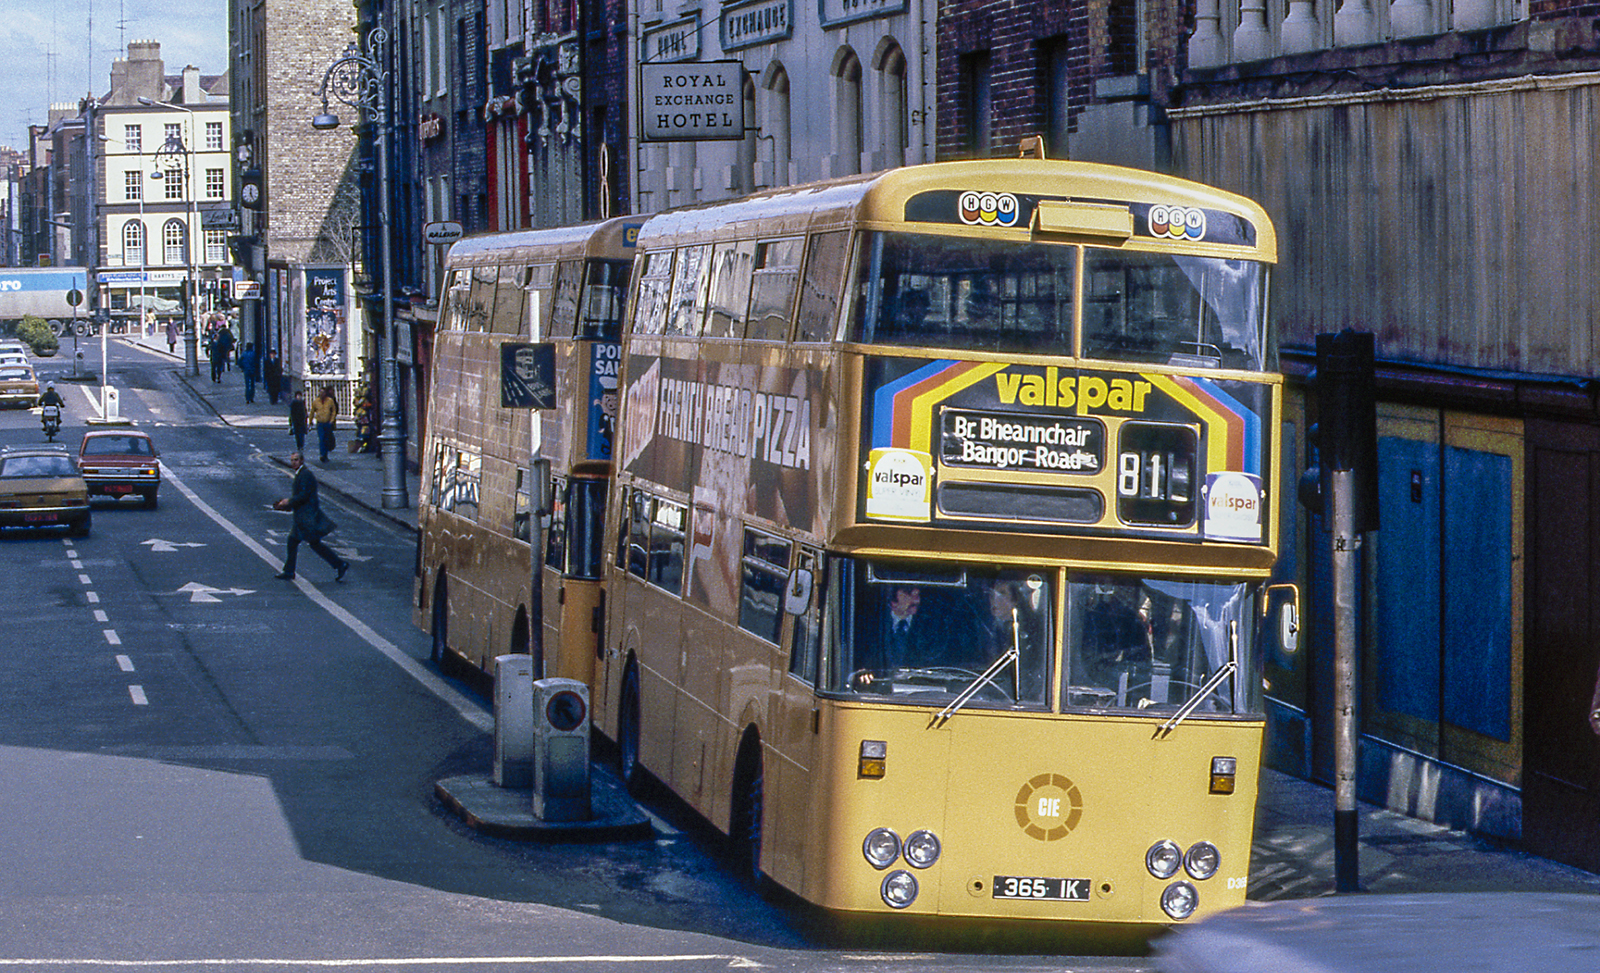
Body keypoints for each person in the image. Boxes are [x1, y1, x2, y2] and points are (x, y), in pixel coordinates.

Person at [273, 451, 349, 582]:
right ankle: (289, 571)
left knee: (310, 543)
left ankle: (339, 564)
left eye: (296, 460)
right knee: (300, 543)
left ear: (302, 461)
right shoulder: (301, 474)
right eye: (292, 460)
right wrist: (290, 504)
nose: (293, 463)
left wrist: (288, 502)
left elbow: (304, 495)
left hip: (306, 517)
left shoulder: (306, 475)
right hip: (302, 517)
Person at [311, 385, 338, 463]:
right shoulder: (316, 402)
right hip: (320, 423)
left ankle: (325, 454)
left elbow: (334, 411)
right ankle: (322, 455)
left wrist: (331, 420)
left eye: (323, 392)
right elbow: (312, 411)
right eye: (320, 392)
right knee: (321, 439)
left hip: (327, 423)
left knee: (326, 439)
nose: (322, 394)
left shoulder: (330, 401)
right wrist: (310, 421)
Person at [288, 390, 308, 454]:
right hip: (296, 422)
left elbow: (304, 411)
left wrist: (306, 419)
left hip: (302, 421)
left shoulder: (302, 403)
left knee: (302, 434)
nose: (299, 397)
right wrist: (291, 422)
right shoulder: (294, 403)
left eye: (300, 396)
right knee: (297, 435)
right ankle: (299, 445)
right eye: (298, 396)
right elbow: (291, 413)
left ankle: (301, 445)